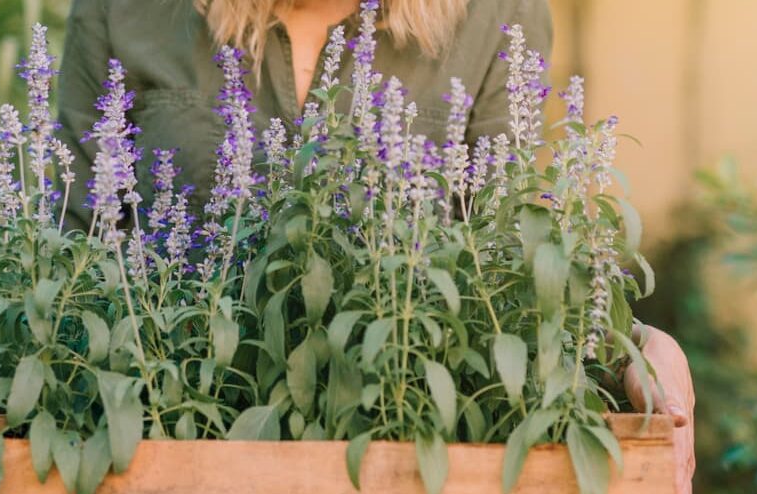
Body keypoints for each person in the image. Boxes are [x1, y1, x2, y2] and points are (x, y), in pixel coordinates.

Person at [54, 0, 696, 491]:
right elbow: (73, 247)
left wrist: (624, 346)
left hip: (405, 456)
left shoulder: (494, 15)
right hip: (169, 450)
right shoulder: (126, 10)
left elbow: (509, 256)